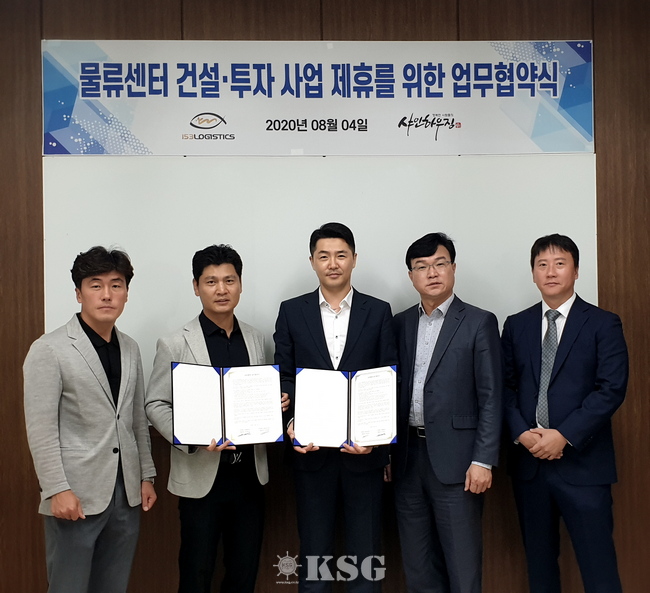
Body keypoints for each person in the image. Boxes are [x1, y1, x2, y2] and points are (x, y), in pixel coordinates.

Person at [145, 244, 287, 593]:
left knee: (243, 574)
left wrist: (276, 404)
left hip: (249, 477)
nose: (221, 289)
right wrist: (190, 438)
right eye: (211, 282)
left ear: (240, 285)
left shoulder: (255, 338)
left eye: (229, 280)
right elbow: (155, 404)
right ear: (196, 287)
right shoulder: (175, 343)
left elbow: (254, 396)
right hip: (201, 478)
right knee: (196, 573)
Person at [23, 246, 157, 593]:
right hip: (76, 494)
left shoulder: (130, 348)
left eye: (116, 285)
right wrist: (57, 489)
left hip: (126, 493)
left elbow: (135, 419)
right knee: (68, 586)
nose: (107, 294)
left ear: (126, 293)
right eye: (96, 285)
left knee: (113, 586)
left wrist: (146, 476)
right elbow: (41, 429)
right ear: (79, 293)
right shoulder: (49, 349)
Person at [273, 222, 397, 593]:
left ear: (354, 259)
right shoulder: (292, 311)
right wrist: (290, 422)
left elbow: (388, 379)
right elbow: (284, 375)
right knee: (315, 556)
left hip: (364, 456)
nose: (333, 263)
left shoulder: (378, 311)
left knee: (365, 558)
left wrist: (377, 439)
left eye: (341, 255)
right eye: (324, 256)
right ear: (312, 261)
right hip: (311, 456)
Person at [502, 233, 628, 593]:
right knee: (540, 571)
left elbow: (611, 388)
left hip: (584, 466)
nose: (550, 271)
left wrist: (564, 435)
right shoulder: (516, 325)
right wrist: (521, 432)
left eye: (560, 263)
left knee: (599, 571)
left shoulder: (603, 323)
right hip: (530, 467)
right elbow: (504, 388)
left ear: (576, 271)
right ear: (533, 273)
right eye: (542, 264)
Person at [391, 232, 502, 593]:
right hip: (408, 458)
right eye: (422, 266)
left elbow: (491, 396)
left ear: (453, 268)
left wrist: (483, 460)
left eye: (440, 264)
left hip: (459, 463)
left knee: (462, 566)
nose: (432, 272)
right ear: (411, 276)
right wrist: (386, 452)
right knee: (418, 566)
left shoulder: (479, 321)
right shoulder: (400, 323)